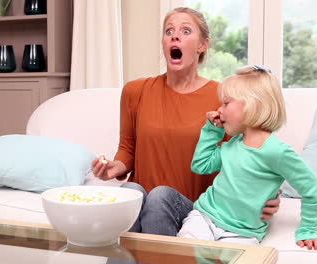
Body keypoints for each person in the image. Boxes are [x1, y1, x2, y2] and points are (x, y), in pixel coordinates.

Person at [91, 7, 280, 236]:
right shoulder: (135, 91)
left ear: (202, 45)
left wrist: (268, 194)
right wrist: (115, 167)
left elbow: (249, 152)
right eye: (169, 30)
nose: (175, 35)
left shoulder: (224, 98)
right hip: (141, 203)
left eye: (186, 30)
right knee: (130, 191)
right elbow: (128, 149)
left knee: (160, 196)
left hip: (196, 212)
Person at [177, 65, 317, 249]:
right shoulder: (232, 144)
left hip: (243, 234)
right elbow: (201, 165)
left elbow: (312, 189)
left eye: (226, 103)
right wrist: (212, 130)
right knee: (185, 254)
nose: (219, 110)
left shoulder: (277, 152)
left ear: (251, 105)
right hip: (204, 217)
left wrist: (308, 229)